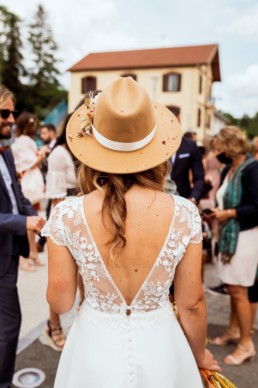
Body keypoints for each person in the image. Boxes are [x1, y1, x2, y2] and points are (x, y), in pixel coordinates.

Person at [41, 77, 220, 387]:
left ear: (93, 146)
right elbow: (191, 303)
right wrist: (199, 354)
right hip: (162, 345)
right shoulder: (184, 213)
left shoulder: (66, 215)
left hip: (94, 348)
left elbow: (60, 302)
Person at [0, 86, 45, 387]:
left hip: (8, 252)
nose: (12, 118)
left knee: (7, 325)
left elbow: (18, 198)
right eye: (4, 113)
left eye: (13, 112)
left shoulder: (7, 154)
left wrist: (39, 220)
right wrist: (23, 222)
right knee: (8, 326)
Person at [208, 127, 258, 365]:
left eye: (219, 148)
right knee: (233, 289)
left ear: (231, 146)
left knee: (240, 291)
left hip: (246, 237)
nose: (217, 153)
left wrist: (227, 213)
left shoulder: (252, 169)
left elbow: (256, 208)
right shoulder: (229, 168)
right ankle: (233, 331)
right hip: (230, 234)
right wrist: (217, 214)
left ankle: (246, 344)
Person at [41, 114, 79, 352]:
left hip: (84, 217)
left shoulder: (77, 154)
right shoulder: (58, 154)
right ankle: (52, 326)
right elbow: (56, 199)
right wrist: (66, 234)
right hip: (66, 222)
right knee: (61, 282)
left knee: (86, 280)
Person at [11, 112, 46, 270]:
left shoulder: (24, 140)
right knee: (25, 219)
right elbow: (29, 163)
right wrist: (41, 154)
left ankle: (32, 252)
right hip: (28, 183)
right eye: (33, 124)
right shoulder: (23, 141)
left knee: (33, 217)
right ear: (27, 125)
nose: (35, 127)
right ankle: (23, 256)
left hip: (32, 182)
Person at [37, 124, 57, 252]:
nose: (42, 136)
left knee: (52, 214)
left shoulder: (58, 147)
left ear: (52, 133)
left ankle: (42, 240)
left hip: (58, 187)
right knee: (49, 214)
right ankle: (42, 240)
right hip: (50, 186)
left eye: (44, 133)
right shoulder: (46, 148)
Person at [170, 134, 205, 204]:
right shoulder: (153, 144)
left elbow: (199, 177)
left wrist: (193, 198)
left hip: (183, 198)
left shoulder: (190, 145)